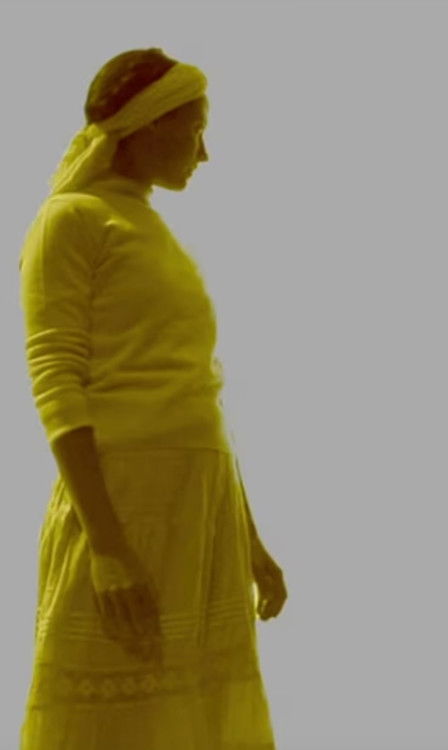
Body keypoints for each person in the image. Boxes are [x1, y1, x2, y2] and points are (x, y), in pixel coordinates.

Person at [18, 47, 287, 750]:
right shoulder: (70, 219)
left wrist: (250, 540)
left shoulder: (155, 233)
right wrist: (107, 548)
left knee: (195, 724)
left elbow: (200, 393)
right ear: (146, 126)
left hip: (201, 507)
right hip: (124, 502)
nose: (205, 152)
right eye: (195, 130)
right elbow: (55, 378)